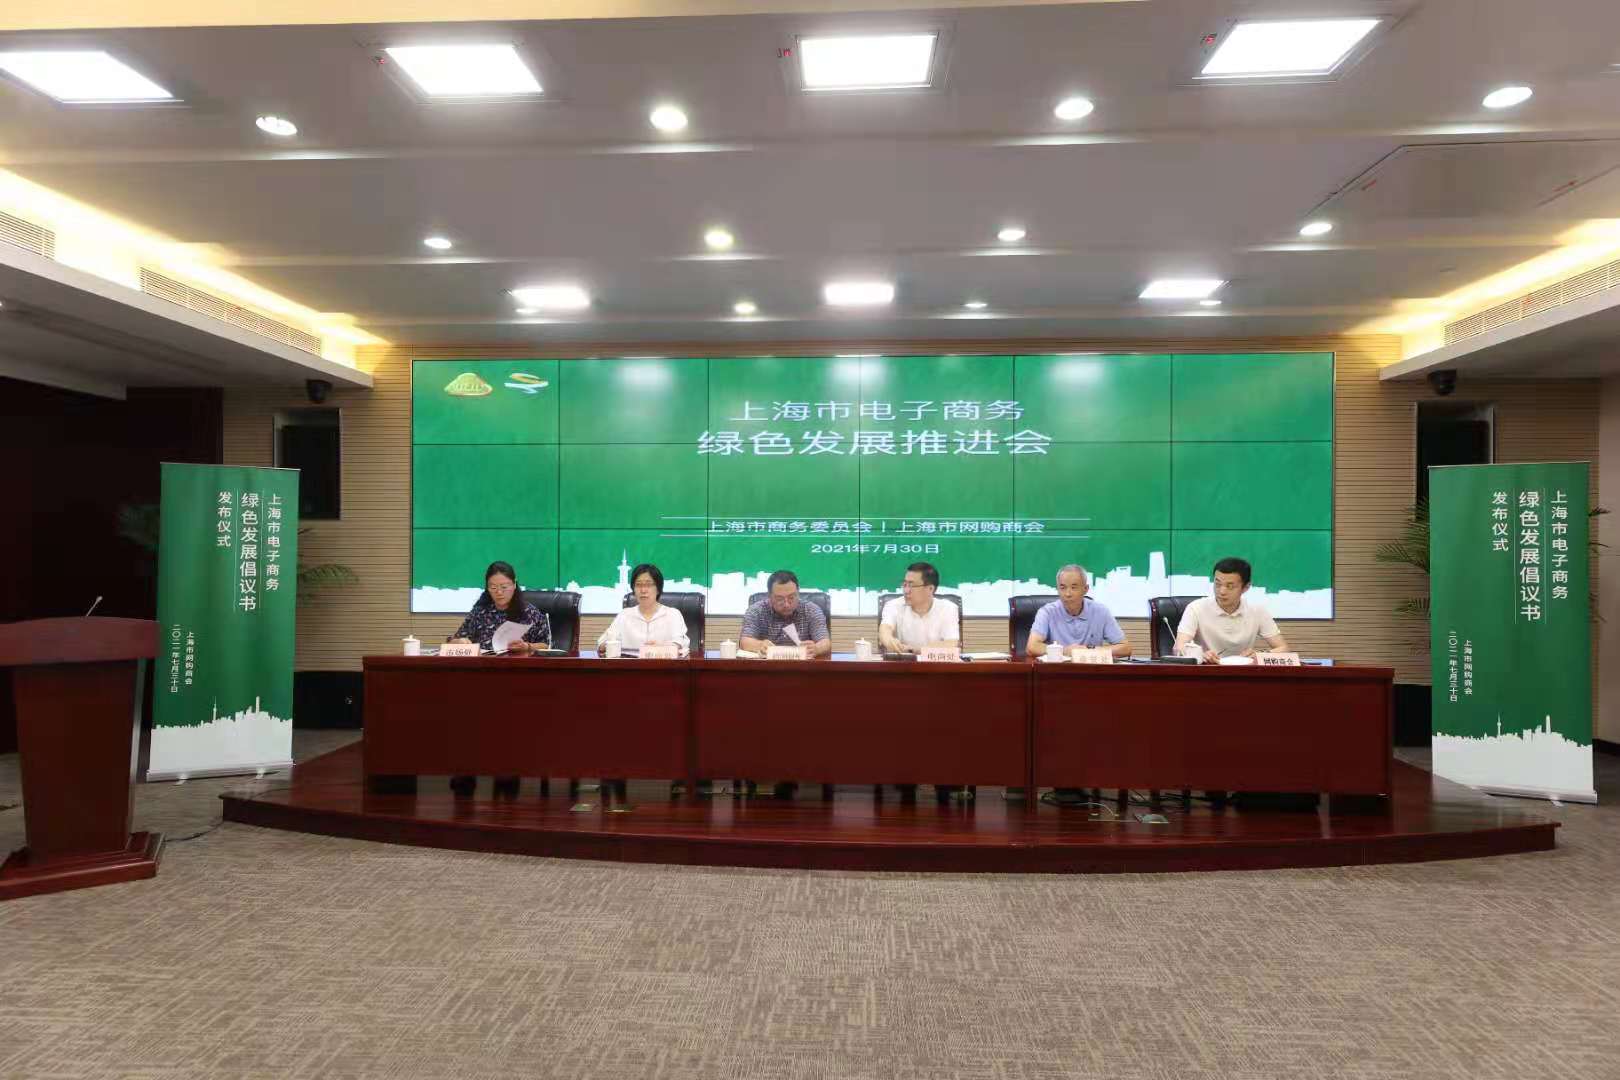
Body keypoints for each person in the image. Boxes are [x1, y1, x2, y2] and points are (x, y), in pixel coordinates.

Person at [447, 561, 551, 798]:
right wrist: (459, 641)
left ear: (515, 585)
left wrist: (527, 646)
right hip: (482, 677)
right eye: (493, 587)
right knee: (465, 710)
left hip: (516, 680)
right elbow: (457, 638)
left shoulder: (529, 612)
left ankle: (507, 770)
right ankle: (466, 770)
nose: (499, 592)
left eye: (504, 586)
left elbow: (547, 645)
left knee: (505, 713)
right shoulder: (480, 611)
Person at [1174, 557, 1290, 663]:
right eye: (1217, 584)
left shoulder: (1257, 611)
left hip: (1243, 673)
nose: (1222, 591)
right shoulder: (1196, 608)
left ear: (1246, 587)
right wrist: (1201, 655)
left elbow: (1284, 649)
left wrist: (1260, 655)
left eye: (1230, 586)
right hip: (1207, 671)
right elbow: (1178, 648)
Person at [1025, 564, 1131, 659]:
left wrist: (1089, 651)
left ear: (1086, 589)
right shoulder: (1047, 612)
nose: (1068, 594)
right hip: (1058, 670)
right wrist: (1065, 651)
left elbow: (1125, 648)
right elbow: (1031, 647)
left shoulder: (1101, 611)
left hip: (1090, 671)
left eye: (1073, 587)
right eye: (1063, 588)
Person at [599, 563, 690, 656]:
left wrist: (661, 648)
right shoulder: (624, 615)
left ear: (658, 589)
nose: (643, 590)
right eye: (638, 585)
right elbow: (602, 643)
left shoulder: (672, 615)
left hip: (663, 664)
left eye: (648, 585)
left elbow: (680, 644)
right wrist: (607, 645)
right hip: (631, 664)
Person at [739, 570, 832, 658]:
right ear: (769, 596)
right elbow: (745, 642)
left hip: (803, 666)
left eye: (791, 597)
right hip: (766, 666)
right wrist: (760, 645)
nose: (786, 604)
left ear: (798, 593)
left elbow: (825, 642)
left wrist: (817, 648)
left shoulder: (811, 610)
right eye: (780, 599)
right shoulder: (756, 611)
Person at [879, 562, 959, 654]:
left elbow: (951, 644)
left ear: (930, 589)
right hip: (903, 662)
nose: (906, 591)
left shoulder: (948, 608)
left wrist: (914, 650)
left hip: (935, 663)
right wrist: (889, 641)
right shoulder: (893, 605)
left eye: (911, 585)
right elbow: (885, 630)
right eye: (905, 584)